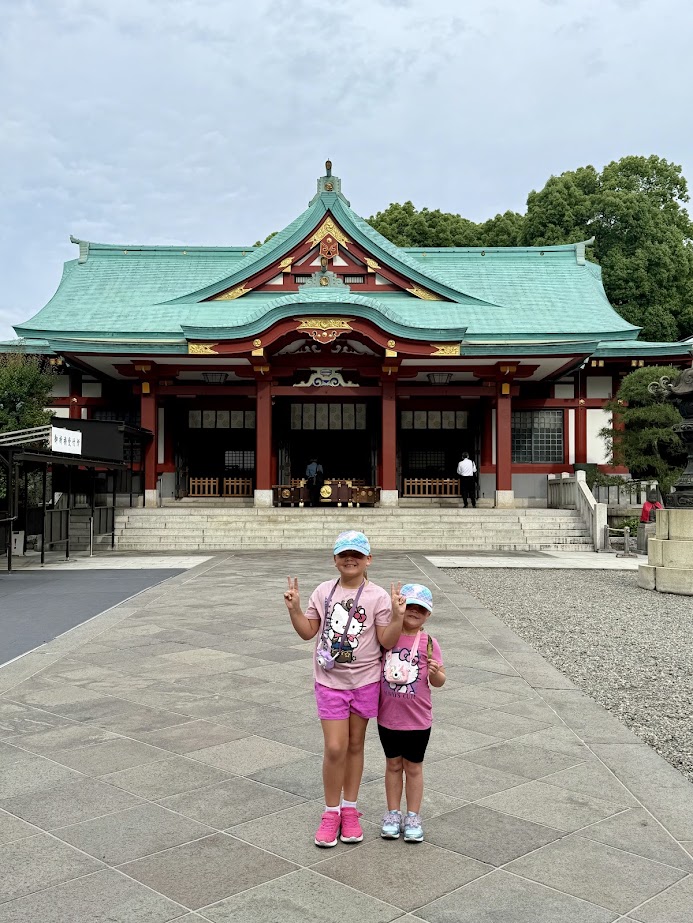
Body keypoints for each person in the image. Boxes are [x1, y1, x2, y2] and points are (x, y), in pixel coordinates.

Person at [283, 530, 405, 847]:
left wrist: (397, 616)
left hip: (365, 681)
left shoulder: (377, 596)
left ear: (368, 560)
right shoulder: (324, 592)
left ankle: (349, 809)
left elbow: (386, 641)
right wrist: (295, 609)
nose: (350, 559)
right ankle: (330, 812)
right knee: (335, 747)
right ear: (335, 560)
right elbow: (308, 632)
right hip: (330, 681)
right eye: (344, 554)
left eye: (357, 554)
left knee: (355, 745)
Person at [378, 583, 445, 843]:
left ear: (427, 614)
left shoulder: (429, 643)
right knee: (393, 765)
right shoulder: (388, 637)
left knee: (414, 767)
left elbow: (439, 681)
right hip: (388, 717)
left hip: (418, 720)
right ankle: (393, 813)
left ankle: (413, 815)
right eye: (410, 606)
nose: (414, 612)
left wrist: (437, 672)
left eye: (421, 609)